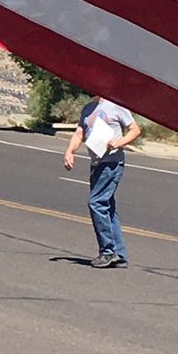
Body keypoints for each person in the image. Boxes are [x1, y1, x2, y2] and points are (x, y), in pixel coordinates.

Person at [63, 96, 140, 267]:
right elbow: (79, 133)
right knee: (107, 207)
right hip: (97, 162)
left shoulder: (116, 105)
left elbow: (135, 130)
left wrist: (119, 142)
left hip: (112, 162)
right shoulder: (88, 108)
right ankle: (119, 254)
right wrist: (70, 151)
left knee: (96, 203)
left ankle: (107, 251)